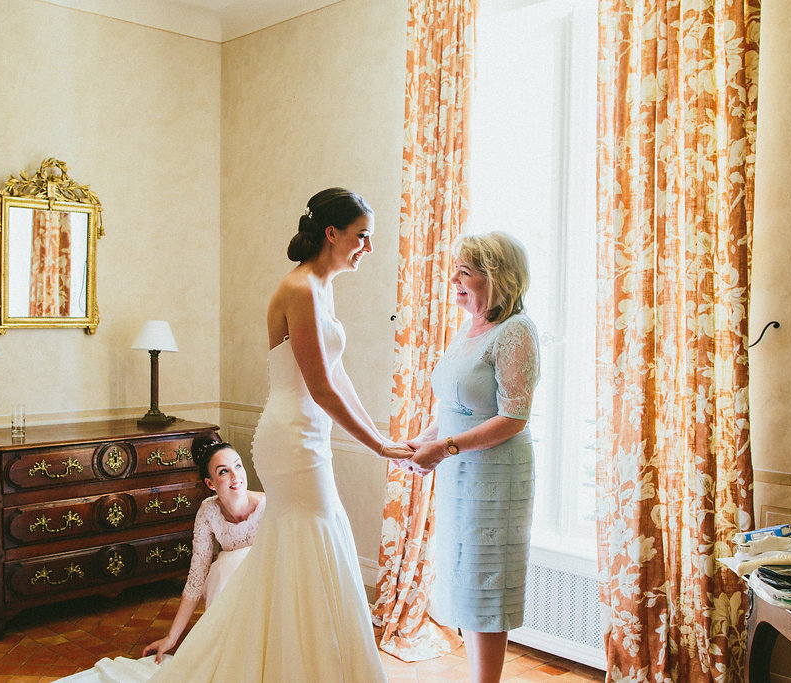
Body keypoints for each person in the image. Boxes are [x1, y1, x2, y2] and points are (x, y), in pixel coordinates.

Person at [144, 188, 411, 682]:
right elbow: (322, 387)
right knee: (313, 535)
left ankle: (302, 663)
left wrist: (382, 435)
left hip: (307, 434)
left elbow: (340, 377)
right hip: (292, 438)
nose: (368, 248)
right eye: (362, 237)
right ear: (332, 233)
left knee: (306, 542)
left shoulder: (322, 288)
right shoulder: (300, 289)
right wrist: (379, 448)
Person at [404, 231, 541, 683]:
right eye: (455, 271)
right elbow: (454, 408)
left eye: (465, 272)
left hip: (496, 476)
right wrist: (423, 441)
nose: (454, 281)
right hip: (461, 471)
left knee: (485, 586)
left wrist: (442, 449)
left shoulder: (516, 330)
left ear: (497, 277)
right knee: (463, 578)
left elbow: (513, 417)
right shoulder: (469, 329)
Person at [142, 434, 265, 663]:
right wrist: (171, 637)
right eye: (223, 471)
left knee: (231, 561)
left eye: (237, 465)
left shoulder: (268, 506)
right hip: (230, 592)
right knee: (223, 566)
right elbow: (197, 578)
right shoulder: (208, 511)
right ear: (210, 483)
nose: (235, 475)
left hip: (268, 591)